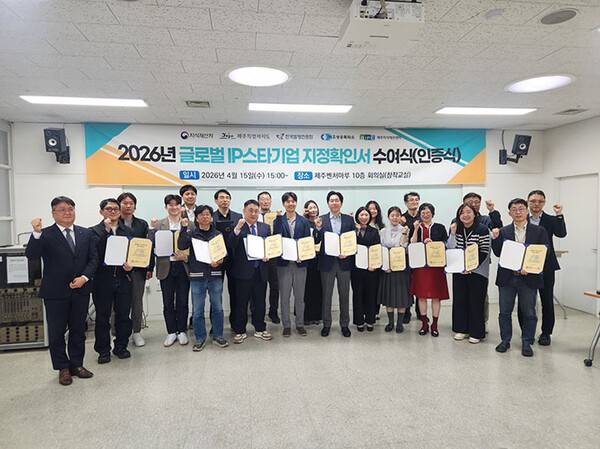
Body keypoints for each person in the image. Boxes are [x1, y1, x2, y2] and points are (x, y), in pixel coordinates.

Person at [25, 196, 98, 385]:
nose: (67, 212)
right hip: (55, 292)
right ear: (53, 213)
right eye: (62, 209)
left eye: (71, 209)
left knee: (78, 330)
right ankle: (62, 368)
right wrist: (36, 233)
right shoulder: (45, 234)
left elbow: (93, 259)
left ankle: (77, 365)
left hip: (80, 290)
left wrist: (84, 278)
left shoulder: (85, 233)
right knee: (57, 332)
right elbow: (31, 255)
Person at [492, 198, 549, 357]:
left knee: (529, 312)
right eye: (514, 209)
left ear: (527, 211)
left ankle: (527, 342)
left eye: (521, 209)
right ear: (509, 213)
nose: (518, 212)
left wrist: (529, 268)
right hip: (507, 278)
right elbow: (498, 252)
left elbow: (544, 253)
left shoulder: (539, 231)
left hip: (528, 278)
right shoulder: (503, 231)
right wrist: (495, 238)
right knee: (504, 312)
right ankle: (505, 340)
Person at [177, 205, 229, 351]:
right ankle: (200, 338)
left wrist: (220, 260)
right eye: (202, 214)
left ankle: (218, 335)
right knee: (198, 310)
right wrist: (183, 228)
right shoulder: (192, 233)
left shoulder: (217, 234)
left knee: (217, 308)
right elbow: (181, 245)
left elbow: (224, 253)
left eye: (207, 214)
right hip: (197, 276)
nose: (205, 217)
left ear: (211, 217)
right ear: (197, 218)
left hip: (215, 275)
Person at [89, 198, 135, 364]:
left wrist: (131, 265)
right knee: (102, 317)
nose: (113, 211)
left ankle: (121, 346)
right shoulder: (93, 232)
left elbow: (132, 253)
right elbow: (94, 254)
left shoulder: (127, 231)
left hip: (123, 279)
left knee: (123, 316)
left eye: (116, 209)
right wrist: (106, 231)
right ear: (101, 212)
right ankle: (103, 350)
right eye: (109, 209)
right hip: (102, 280)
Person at [521, 190, 566, 346]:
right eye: (533, 201)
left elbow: (561, 233)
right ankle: (527, 332)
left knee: (546, 300)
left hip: (546, 266)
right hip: (526, 266)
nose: (536, 204)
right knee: (525, 301)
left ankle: (546, 333)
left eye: (540, 201)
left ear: (544, 203)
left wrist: (559, 215)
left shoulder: (551, 219)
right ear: (528, 202)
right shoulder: (522, 218)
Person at [229, 199, 273, 344]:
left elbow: (269, 246)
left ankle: (260, 328)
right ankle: (240, 330)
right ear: (244, 211)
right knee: (241, 303)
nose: (253, 214)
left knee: (260, 302)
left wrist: (268, 255)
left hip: (260, 271)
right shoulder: (238, 226)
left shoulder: (265, 227)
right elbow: (230, 245)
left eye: (256, 211)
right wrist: (237, 229)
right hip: (243, 272)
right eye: (250, 210)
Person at [149, 194, 190, 347]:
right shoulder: (159, 224)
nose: (174, 207)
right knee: (167, 302)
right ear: (166, 207)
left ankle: (182, 331)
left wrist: (185, 257)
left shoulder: (189, 224)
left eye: (176, 204)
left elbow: (194, 247)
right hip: (165, 267)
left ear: (181, 207)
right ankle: (171, 331)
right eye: (170, 205)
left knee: (183, 301)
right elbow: (150, 244)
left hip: (183, 267)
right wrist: (151, 229)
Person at [314, 191, 355, 338]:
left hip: (344, 262)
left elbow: (352, 240)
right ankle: (326, 324)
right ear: (328, 203)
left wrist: (348, 252)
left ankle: (344, 325)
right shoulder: (321, 219)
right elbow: (316, 240)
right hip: (327, 263)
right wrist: (318, 229)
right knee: (327, 295)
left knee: (344, 295)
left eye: (337, 200)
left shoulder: (349, 220)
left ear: (341, 203)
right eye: (331, 200)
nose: (334, 203)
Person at [447, 204, 491, 344]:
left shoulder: (482, 229)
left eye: (468, 212)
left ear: (474, 214)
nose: (465, 215)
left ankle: (476, 332)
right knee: (460, 300)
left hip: (478, 271)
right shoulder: (456, 228)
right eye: (462, 213)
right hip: (459, 270)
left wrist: (472, 267)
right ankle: (461, 329)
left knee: (476, 302)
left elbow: (484, 250)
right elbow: (450, 248)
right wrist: (452, 234)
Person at [460, 192, 503, 332]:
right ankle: (465, 325)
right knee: (464, 296)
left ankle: (481, 323)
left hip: (481, 262)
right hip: (462, 266)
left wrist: (492, 211)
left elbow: (497, 229)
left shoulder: (485, 219)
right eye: (470, 202)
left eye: (477, 202)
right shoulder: (458, 219)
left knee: (480, 296)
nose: (474, 204)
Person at [273, 192, 312, 337]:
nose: (291, 203)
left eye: (293, 201)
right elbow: (276, 239)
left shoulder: (304, 221)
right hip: (283, 264)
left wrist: (303, 256)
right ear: (284, 204)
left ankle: (300, 324)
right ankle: (287, 325)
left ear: (296, 203)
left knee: (300, 297)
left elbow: (307, 242)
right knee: (284, 296)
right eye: (288, 201)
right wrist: (278, 219)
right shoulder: (278, 220)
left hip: (300, 264)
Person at [118, 192, 152, 347]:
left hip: (138, 270)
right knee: (117, 305)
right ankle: (116, 333)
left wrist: (149, 267)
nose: (128, 206)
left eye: (131, 203)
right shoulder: (114, 223)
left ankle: (136, 331)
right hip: (118, 270)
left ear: (135, 206)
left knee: (137, 302)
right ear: (119, 205)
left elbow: (148, 246)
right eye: (125, 203)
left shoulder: (142, 224)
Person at [409, 202, 449, 337]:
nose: (425, 215)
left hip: (436, 266)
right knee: (421, 296)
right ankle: (424, 323)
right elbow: (412, 244)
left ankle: (435, 325)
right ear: (419, 214)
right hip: (420, 266)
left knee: (436, 296)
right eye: (423, 213)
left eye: (428, 212)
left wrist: (433, 243)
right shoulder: (416, 227)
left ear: (432, 213)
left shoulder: (440, 227)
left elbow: (445, 244)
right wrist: (415, 229)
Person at [377, 206, 411, 333]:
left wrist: (404, 234)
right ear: (388, 217)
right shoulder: (382, 231)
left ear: (400, 217)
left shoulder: (406, 230)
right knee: (389, 297)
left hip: (401, 268)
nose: (395, 218)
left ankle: (400, 323)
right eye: (392, 215)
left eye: (397, 215)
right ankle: (391, 322)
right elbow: (381, 249)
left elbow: (405, 247)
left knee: (402, 297)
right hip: (388, 268)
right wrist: (385, 266)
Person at [212, 189, 242, 328]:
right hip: (217, 260)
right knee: (215, 294)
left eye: (227, 197)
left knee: (235, 292)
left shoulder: (238, 216)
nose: (225, 200)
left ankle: (235, 323)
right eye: (222, 197)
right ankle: (215, 326)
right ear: (216, 200)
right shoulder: (210, 217)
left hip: (234, 260)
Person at [351, 207, 381, 332]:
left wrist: (373, 265)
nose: (364, 217)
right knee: (357, 295)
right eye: (361, 215)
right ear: (357, 216)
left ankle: (370, 320)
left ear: (369, 217)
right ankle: (359, 321)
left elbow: (376, 249)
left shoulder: (374, 231)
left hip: (371, 269)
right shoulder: (352, 231)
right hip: (356, 268)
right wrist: (357, 231)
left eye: (366, 215)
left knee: (371, 295)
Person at [257, 190, 280, 324]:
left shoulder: (276, 216)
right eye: (262, 199)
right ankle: (257, 312)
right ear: (259, 201)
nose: (265, 201)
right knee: (259, 286)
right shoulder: (255, 216)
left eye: (267, 199)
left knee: (275, 286)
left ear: (271, 201)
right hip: (258, 257)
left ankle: (273, 312)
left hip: (273, 256)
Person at [302, 200, 322, 326]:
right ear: (306, 210)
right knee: (307, 289)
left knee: (318, 289)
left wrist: (319, 227)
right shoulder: (303, 222)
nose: (313, 209)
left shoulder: (321, 222)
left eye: (315, 207)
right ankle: (306, 316)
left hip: (319, 260)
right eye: (310, 207)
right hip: (307, 260)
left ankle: (317, 316)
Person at [402, 191, 420, 323]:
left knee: (419, 282)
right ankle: (407, 312)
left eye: (416, 199)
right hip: (406, 255)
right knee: (407, 284)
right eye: (411, 200)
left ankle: (420, 311)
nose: (414, 202)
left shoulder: (423, 216)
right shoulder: (401, 218)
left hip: (420, 255)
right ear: (406, 203)